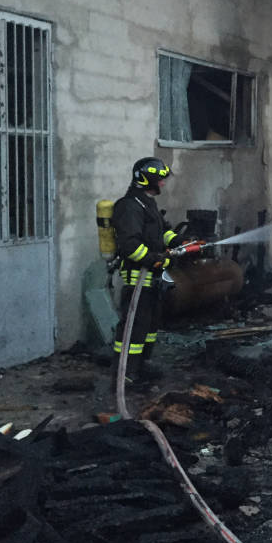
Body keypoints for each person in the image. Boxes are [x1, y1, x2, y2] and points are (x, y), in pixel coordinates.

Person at [111, 157, 183, 385]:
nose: (163, 184)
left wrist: (181, 243)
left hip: (153, 279)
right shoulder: (128, 206)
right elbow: (129, 244)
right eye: (160, 180)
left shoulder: (147, 203)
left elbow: (162, 232)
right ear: (147, 179)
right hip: (137, 279)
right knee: (134, 328)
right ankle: (124, 374)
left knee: (151, 326)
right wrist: (154, 260)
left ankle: (142, 365)